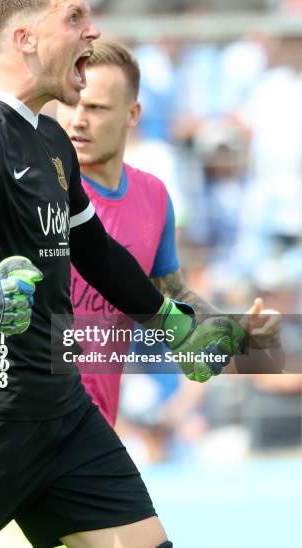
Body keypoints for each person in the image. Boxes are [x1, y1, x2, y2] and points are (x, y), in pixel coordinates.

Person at [0, 0, 251, 548]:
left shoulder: (51, 139)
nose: (93, 30)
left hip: (65, 419)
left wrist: (173, 326)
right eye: (75, 17)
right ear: (25, 38)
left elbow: (96, 252)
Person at [56, 40, 280, 429]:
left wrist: (225, 327)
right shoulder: (38, 190)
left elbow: (169, 293)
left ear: (132, 114)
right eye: (71, 101)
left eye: (95, 107)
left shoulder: (154, 197)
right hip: (29, 425)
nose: (78, 119)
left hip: (95, 426)